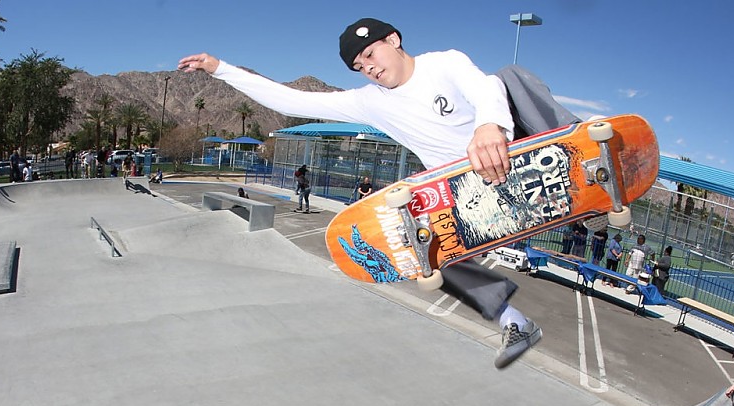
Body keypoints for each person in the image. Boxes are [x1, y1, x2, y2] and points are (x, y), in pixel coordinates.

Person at [179, 17, 577, 368]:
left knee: (509, 77)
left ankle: (593, 153)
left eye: (371, 54)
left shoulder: (445, 62)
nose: (369, 68)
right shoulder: (368, 102)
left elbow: (483, 87)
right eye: (360, 66)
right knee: (421, 245)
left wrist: (489, 126)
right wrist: (221, 69)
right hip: (463, 187)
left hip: (516, 150)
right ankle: (515, 323)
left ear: (395, 40)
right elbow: (294, 100)